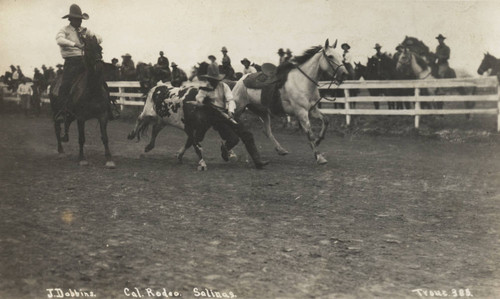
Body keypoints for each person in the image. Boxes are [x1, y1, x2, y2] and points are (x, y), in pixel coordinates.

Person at [195, 73, 269, 169]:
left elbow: (230, 100)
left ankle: (258, 161)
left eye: (216, 80)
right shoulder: (204, 89)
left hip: (227, 113)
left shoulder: (224, 86)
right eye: (213, 80)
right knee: (233, 139)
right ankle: (225, 149)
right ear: (209, 80)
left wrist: (230, 110)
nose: (215, 82)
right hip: (215, 117)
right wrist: (204, 102)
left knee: (247, 134)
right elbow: (198, 102)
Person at [55, 4, 107, 120]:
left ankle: (107, 106)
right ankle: (63, 111)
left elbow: (100, 38)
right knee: (65, 84)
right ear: (70, 19)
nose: (79, 22)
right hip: (71, 61)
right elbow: (59, 40)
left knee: (99, 77)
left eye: (80, 19)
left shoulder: (84, 30)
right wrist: (75, 44)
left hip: (85, 60)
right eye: (77, 19)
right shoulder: (64, 30)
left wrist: (91, 39)